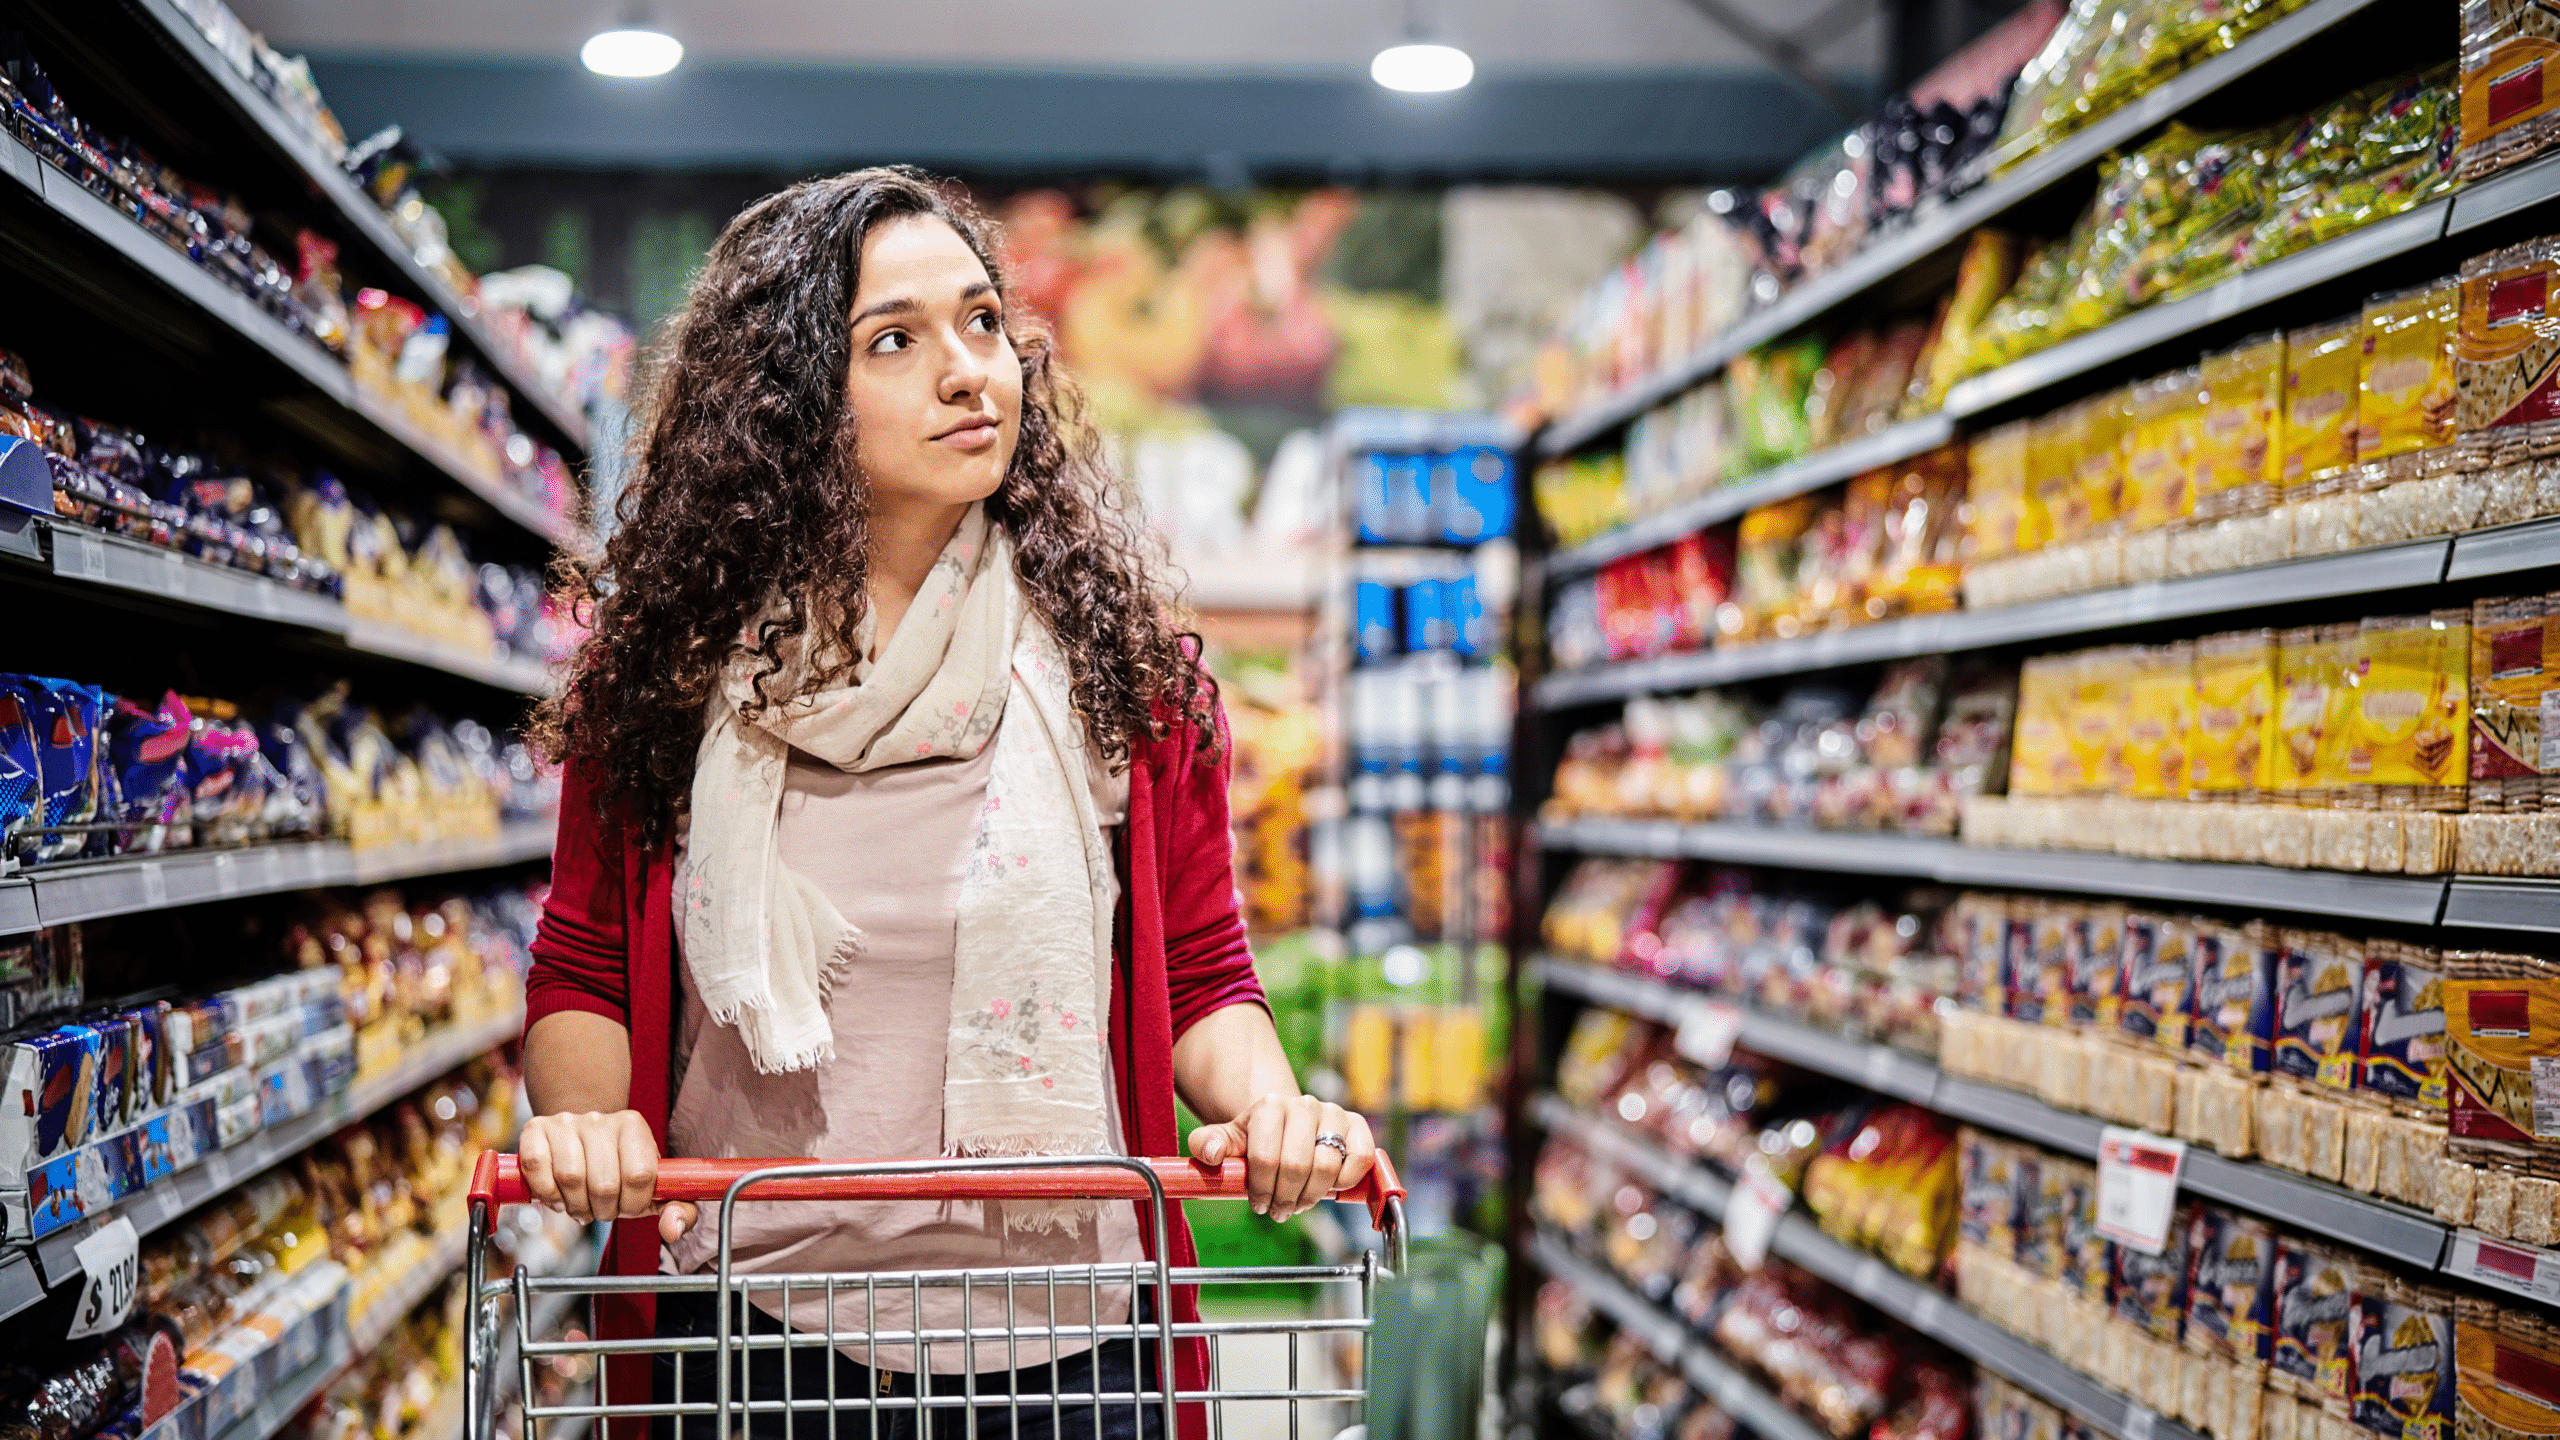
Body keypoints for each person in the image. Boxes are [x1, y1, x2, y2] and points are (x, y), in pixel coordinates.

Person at [517, 166, 1376, 1440]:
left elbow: (1199, 972)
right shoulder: (664, 684)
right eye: (895, 341)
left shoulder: (1124, 677)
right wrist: (590, 1129)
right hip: (754, 1345)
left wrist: (1272, 1109)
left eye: (984, 324)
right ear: (791, 401)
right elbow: (584, 964)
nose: (971, 370)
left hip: (1074, 1349)